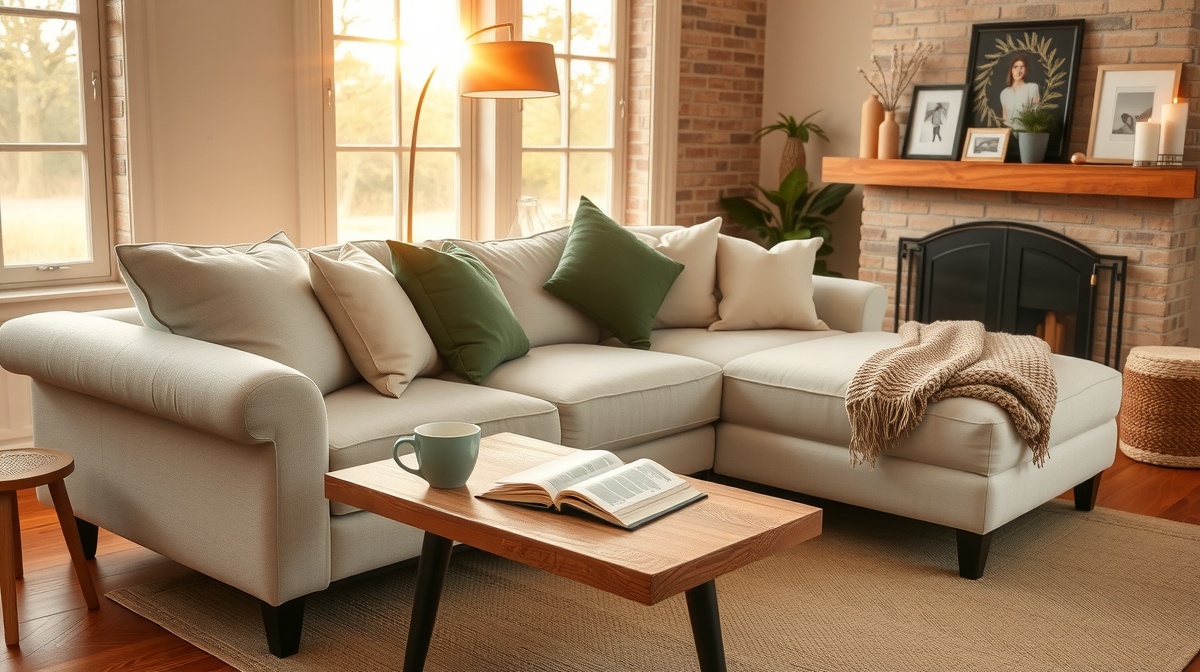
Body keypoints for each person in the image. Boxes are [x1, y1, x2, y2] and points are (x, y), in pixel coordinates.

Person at [1000, 55, 1040, 128]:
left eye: (1022, 67)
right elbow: (1004, 118)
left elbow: (1035, 112)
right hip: (1009, 134)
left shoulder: (1032, 87)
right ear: (1011, 70)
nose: (1019, 70)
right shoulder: (1004, 93)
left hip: (1025, 134)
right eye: (1015, 67)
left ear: (1026, 70)